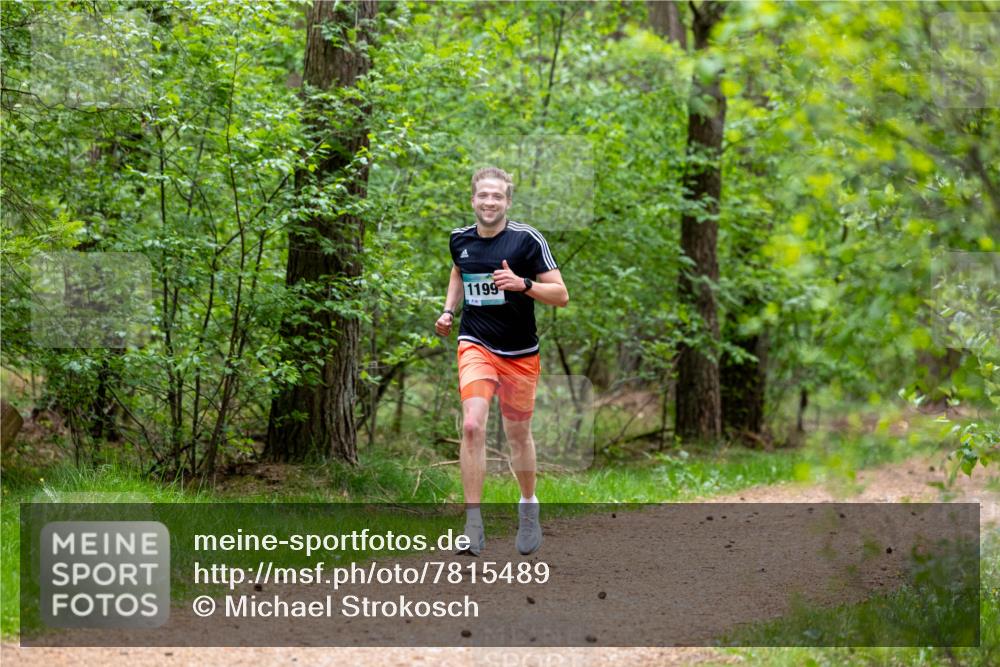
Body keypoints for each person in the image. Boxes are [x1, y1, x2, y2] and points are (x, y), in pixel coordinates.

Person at [435, 166, 569, 556]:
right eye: (483, 195)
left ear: (507, 201)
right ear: (472, 200)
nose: (489, 202)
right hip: (475, 344)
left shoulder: (527, 240)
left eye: (497, 196)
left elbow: (561, 295)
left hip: (520, 354)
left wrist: (523, 285)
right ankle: (473, 525)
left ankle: (528, 506)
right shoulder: (459, 239)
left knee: (518, 436)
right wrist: (448, 310)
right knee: (472, 425)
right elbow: (458, 271)